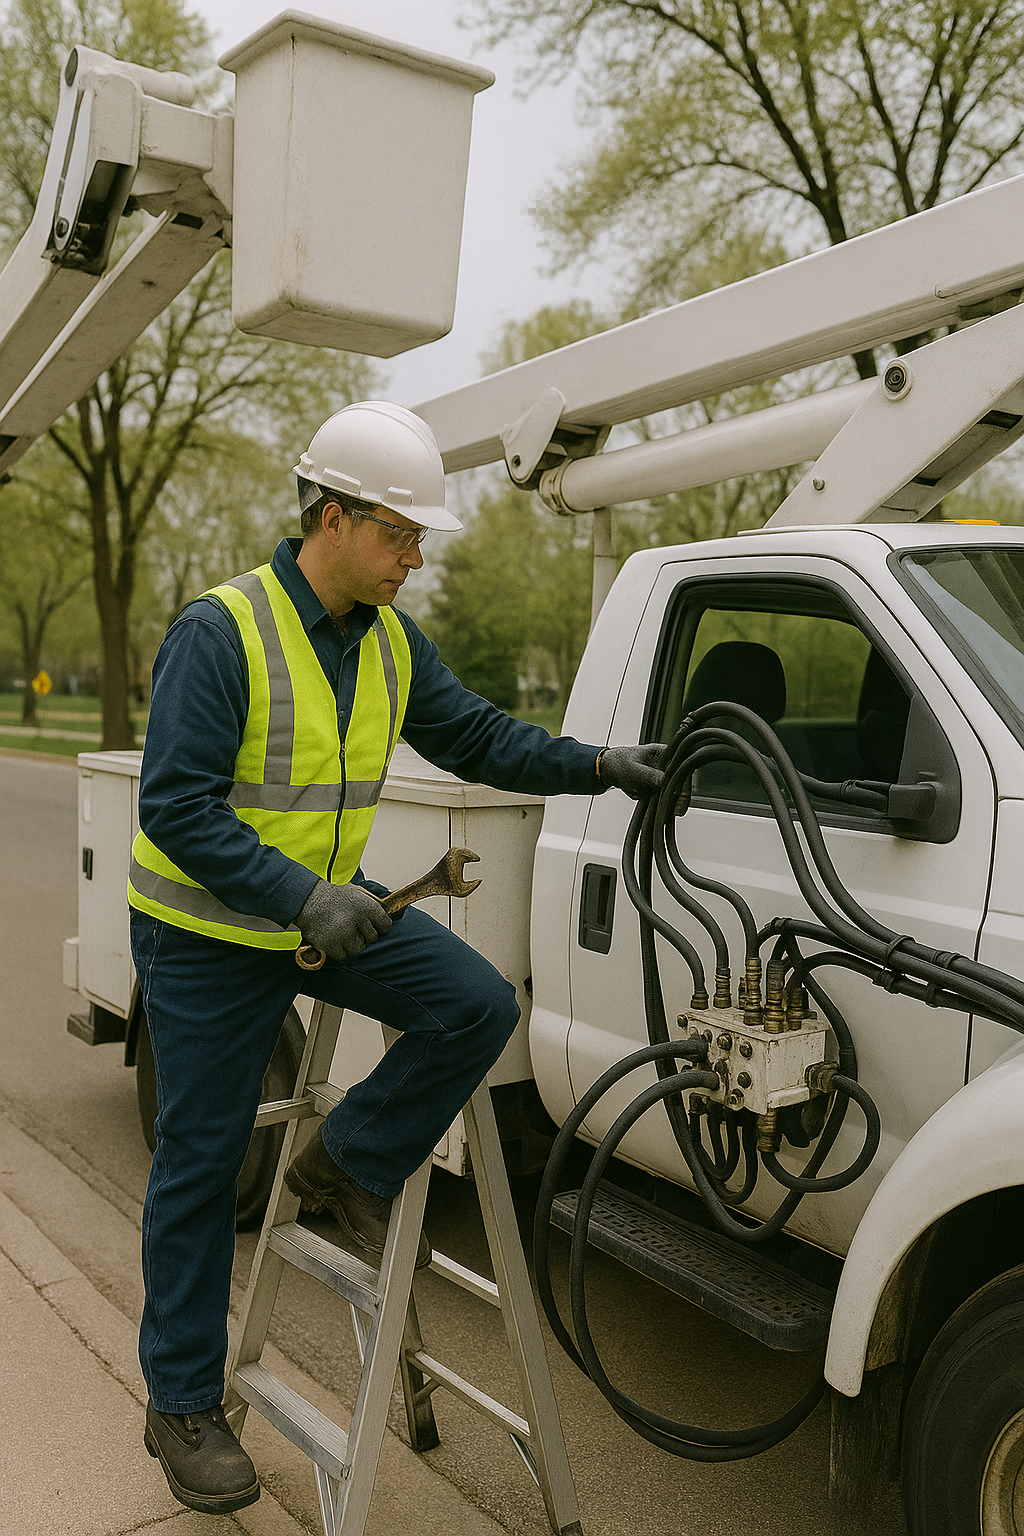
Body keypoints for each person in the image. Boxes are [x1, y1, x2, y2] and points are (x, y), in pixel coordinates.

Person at [128, 400, 664, 1515]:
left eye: (419, 540)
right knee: (200, 1164)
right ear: (331, 518)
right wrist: (297, 895)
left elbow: (478, 737)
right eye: (400, 535)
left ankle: (339, 1166)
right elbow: (175, 806)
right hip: (209, 938)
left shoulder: (389, 642)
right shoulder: (220, 631)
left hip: (324, 913)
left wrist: (600, 762)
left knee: (475, 1004)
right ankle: (181, 1403)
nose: (415, 558)